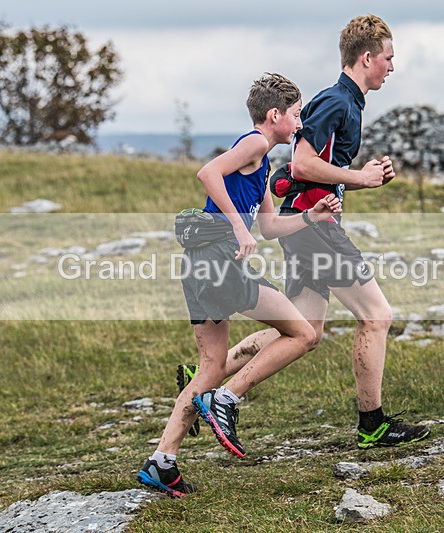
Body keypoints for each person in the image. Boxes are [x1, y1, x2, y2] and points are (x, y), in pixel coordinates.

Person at [176, 14, 431, 450]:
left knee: (302, 329)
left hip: (303, 224)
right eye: (389, 58)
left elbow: (299, 172)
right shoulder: (337, 101)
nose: (392, 67)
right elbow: (301, 165)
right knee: (377, 315)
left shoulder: (345, 103)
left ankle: (208, 382)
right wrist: (359, 178)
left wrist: (362, 177)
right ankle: (369, 422)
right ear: (367, 57)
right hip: (314, 228)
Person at [137, 73, 342, 498]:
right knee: (304, 332)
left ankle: (162, 461)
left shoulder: (262, 163)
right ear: (275, 116)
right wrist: (236, 225)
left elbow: (268, 227)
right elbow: (207, 172)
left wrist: (312, 215)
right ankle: (227, 399)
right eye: (296, 114)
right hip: (221, 263)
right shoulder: (253, 143)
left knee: (210, 366)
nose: (300, 123)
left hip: (199, 269)